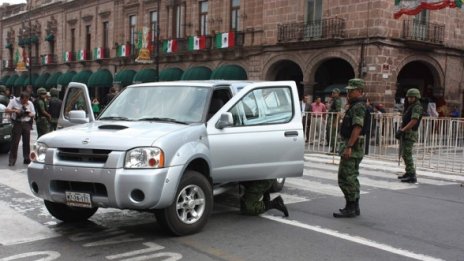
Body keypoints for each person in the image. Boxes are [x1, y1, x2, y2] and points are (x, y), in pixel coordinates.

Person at [333, 78, 367, 218]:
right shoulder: (355, 105)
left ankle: (351, 207)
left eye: (351, 90)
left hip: (353, 147)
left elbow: (357, 127)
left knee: (346, 177)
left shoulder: (358, 106)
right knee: (351, 177)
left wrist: (349, 147)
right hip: (354, 146)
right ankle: (353, 206)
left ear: (359, 91)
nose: (348, 92)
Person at [395, 88, 423, 183]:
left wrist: (402, 130)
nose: (409, 99)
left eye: (412, 97)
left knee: (407, 154)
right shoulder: (411, 106)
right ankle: (408, 172)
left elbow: (414, 121)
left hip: (410, 133)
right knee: (404, 154)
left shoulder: (417, 107)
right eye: (409, 97)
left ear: (416, 97)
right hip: (407, 132)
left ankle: (412, 175)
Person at [5, 91, 36, 166]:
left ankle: (27, 159)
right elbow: (7, 110)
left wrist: (28, 114)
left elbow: (34, 113)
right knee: (15, 143)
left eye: (26, 101)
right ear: (21, 99)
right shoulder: (14, 101)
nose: (25, 102)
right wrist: (15, 111)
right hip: (17, 123)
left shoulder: (30, 103)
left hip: (26, 124)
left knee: (26, 142)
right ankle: (12, 161)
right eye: (24, 101)